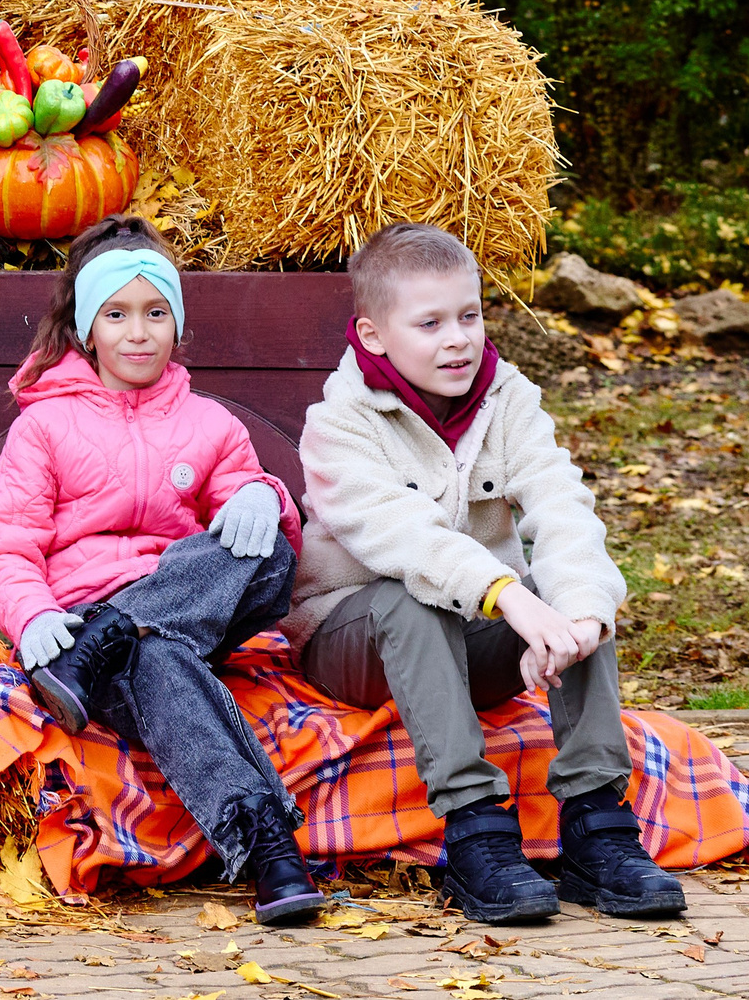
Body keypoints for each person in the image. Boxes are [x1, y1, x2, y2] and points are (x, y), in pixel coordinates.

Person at [286, 222, 686, 923]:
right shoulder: (339, 422)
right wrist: (509, 596)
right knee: (411, 595)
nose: (458, 339)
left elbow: (561, 505)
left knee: (574, 583)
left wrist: (581, 614)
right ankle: (475, 827)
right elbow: (406, 540)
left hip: (477, 632)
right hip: (355, 639)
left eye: (469, 315)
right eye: (431, 322)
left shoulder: (509, 398)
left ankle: (597, 823)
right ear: (375, 335)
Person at [0, 215, 322, 924]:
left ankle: (117, 629)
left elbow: (245, 546)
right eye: (118, 314)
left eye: (156, 312)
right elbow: (5, 545)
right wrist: (35, 615)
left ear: (177, 325)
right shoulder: (44, 427)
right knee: (158, 659)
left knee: (270, 552)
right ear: (86, 330)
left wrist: (262, 494)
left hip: (179, 604)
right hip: (80, 623)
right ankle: (267, 845)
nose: (139, 331)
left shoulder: (210, 424)